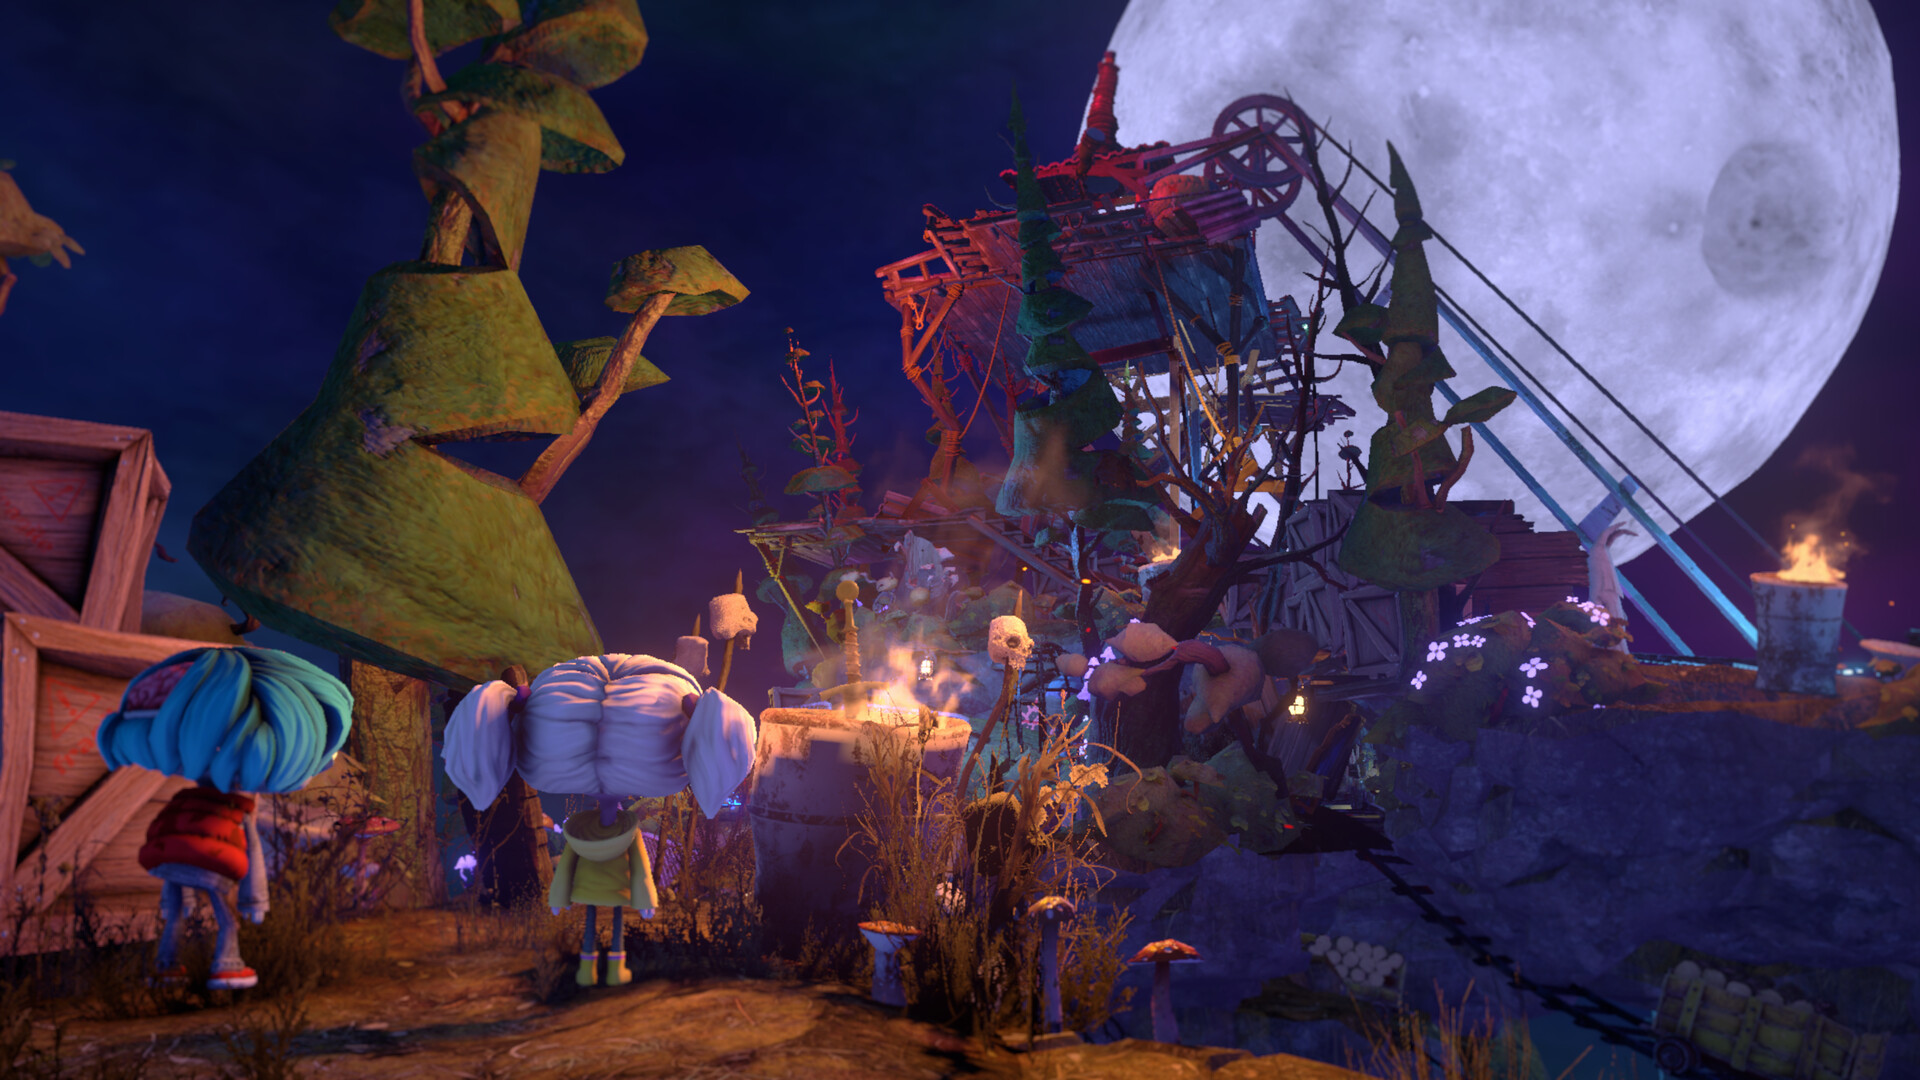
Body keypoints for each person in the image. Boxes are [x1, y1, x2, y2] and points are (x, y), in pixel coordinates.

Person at [443, 654, 755, 987]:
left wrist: (641, 897)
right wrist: (564, 894)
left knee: (608, 925)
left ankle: (606, 967)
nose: (606, 793)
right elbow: (582, 864)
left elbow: (630, 865)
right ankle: (592, 967)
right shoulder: (587, 832)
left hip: (605, 890)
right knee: (597, 924)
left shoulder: (606, 832)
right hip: (595, 890)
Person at [96, 647, 352, 990]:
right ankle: (227, 965)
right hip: (212, 865)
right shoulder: (237, 807)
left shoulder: (188, 798)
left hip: (166, 859)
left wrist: (178, 893)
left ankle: (166, 967)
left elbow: (170, 833)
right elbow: (253, 853)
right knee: (227, 918)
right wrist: (255, 899)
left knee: (175, 915)